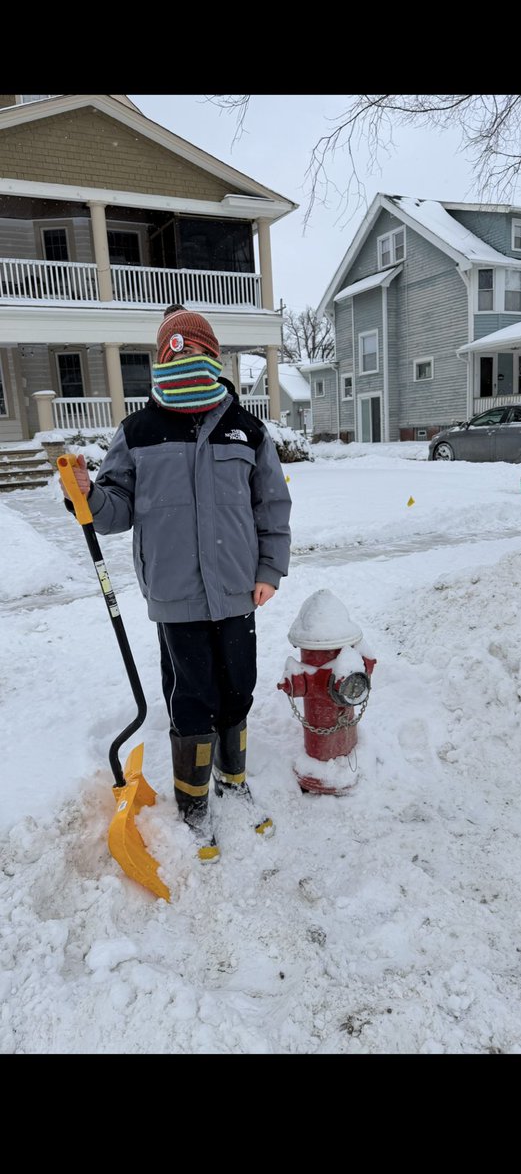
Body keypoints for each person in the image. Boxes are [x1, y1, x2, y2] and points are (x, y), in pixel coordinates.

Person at [62, 304, 292, 862]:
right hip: (175, 594)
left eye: (193, 349)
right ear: (161, 360)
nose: (182, 357)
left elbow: (272, 504)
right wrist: (87, 498)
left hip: (238, 588)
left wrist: (268, 571)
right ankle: (192, 802)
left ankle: (231, 782)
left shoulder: (246, 428)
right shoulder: (139, 431)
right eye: (172, 351)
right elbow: (116, 507)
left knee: (237, 687)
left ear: (212, 357)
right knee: (191, 697)